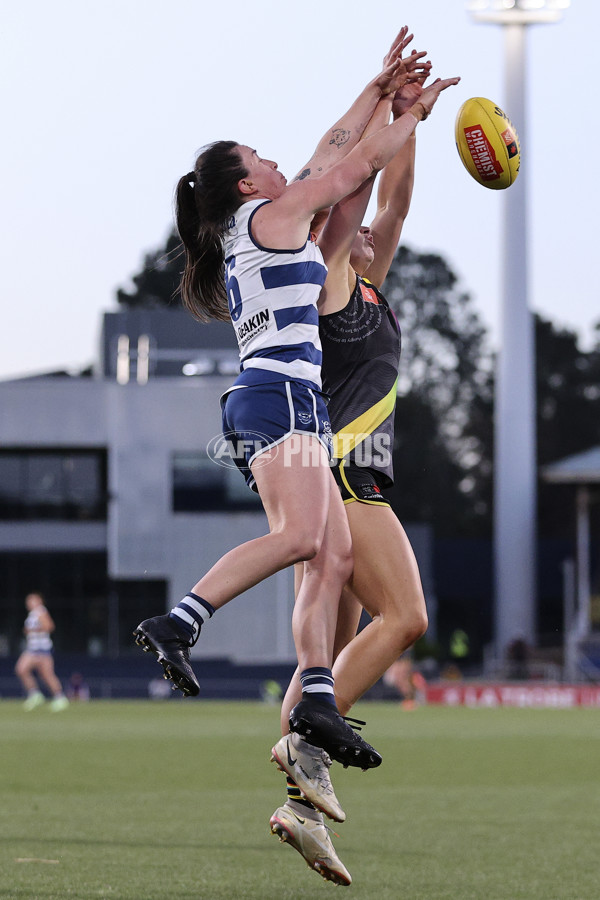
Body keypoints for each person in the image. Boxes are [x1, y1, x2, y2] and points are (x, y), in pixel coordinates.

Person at [134, 32, 458, 779]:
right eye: (263, 159)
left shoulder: (273, 224)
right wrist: (409, 113)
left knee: (330, 552)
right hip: (275, 396)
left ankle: (316, 693)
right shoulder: (266, 220)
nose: (280, 164)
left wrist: (381, 94)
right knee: (303, 539)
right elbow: (354, 164)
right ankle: (180, 619)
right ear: (248, 185)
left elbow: (337, 158)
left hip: (291, 401)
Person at [269, 43, 458, 885]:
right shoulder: (329, 266)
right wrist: (386, 114)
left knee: (327, 671)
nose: (376, 223)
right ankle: (301, 748)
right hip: (338, 472)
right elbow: (366, 186)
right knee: (407, 618)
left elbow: (400, 192)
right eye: (362, 219)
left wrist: (413, 115)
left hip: (354, 476)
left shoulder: (375, 278)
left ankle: (303, 812)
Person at [15, 593, 69, 711]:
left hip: (41, 649)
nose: (29, 603)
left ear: (39, 601)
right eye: (28, 601)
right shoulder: (33, 614)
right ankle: (35, 694)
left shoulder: (40, 611)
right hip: (32, 648)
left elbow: (49, 626)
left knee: (47, 674)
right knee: (21, 669)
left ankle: (60, 697)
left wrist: (33, 630)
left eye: (32, 600)